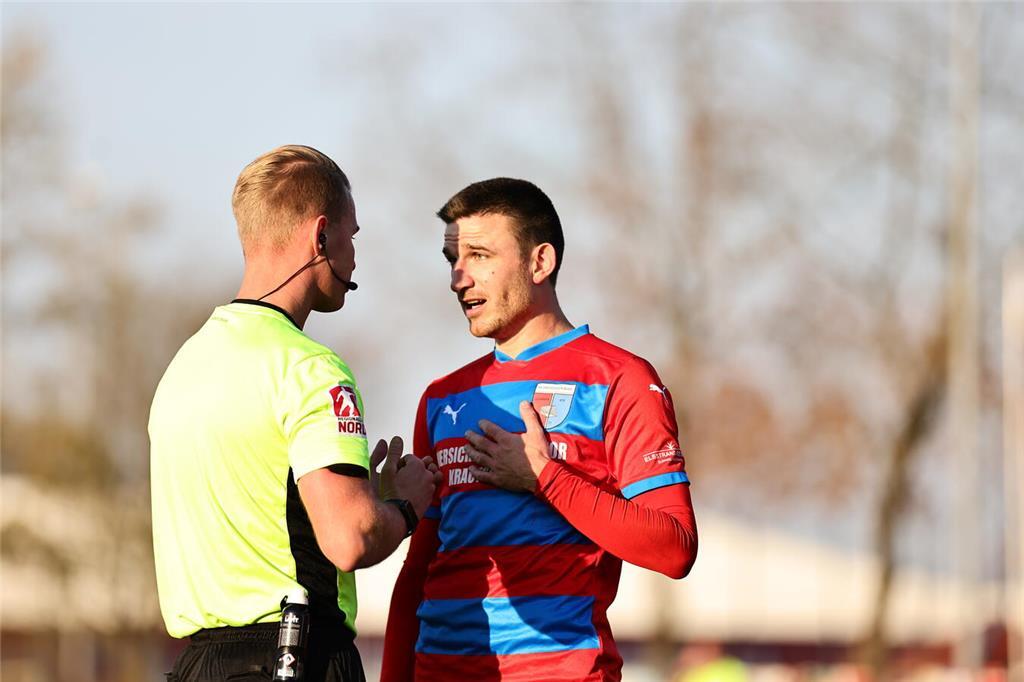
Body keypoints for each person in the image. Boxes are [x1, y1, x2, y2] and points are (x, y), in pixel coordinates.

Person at [381, 178, 698, 681]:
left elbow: (674, 547)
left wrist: (543, 478)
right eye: (452, 260)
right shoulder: (442, 398)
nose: (458, 278)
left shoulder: (621, 379)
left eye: (479, 255)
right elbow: (419, 572)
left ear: (540, 261)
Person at [149, 145, 439, 682]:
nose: (354, 255)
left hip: (194, 665)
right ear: (320, 235)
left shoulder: (182, 368)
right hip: (292, 658)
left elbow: (262, 515)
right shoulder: (310, 368)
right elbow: (349, 538)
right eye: (353, 236)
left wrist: (361, 495)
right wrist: (404, 507)